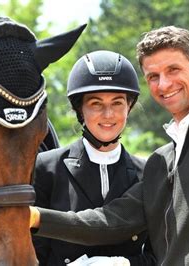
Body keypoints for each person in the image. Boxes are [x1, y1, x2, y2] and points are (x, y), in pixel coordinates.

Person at [30, 26, 189, 265]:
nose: (164, 84)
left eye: (173, 70)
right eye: (153, 76)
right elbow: (111, 220)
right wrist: (34, 216)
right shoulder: (163, 160)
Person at [33, 50, 155, 265]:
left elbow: (159, 255)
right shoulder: (46, 169)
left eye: (117, 103)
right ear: (80, 109)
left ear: (129, 106)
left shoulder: (148, 173)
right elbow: (33, 254)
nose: (108, 114)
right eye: (96, 104)